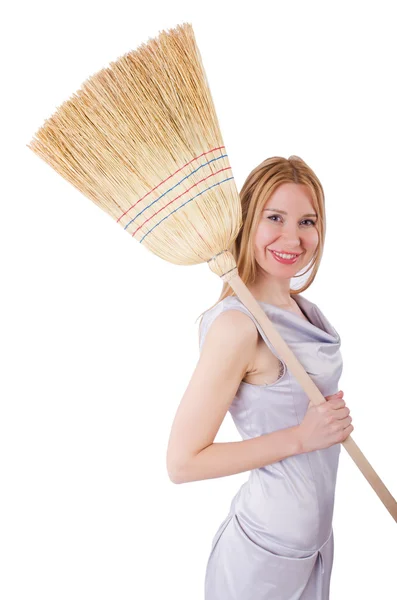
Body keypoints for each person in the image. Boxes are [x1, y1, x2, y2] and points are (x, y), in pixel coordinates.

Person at [166, 155, 354, 599]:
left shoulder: (306, 313)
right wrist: (303, 437)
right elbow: (182, 463)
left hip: (314, 547)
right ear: (247, 221)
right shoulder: (237, 326)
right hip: (262, 559)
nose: (293, 237)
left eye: (307, 221)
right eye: (275, 218)